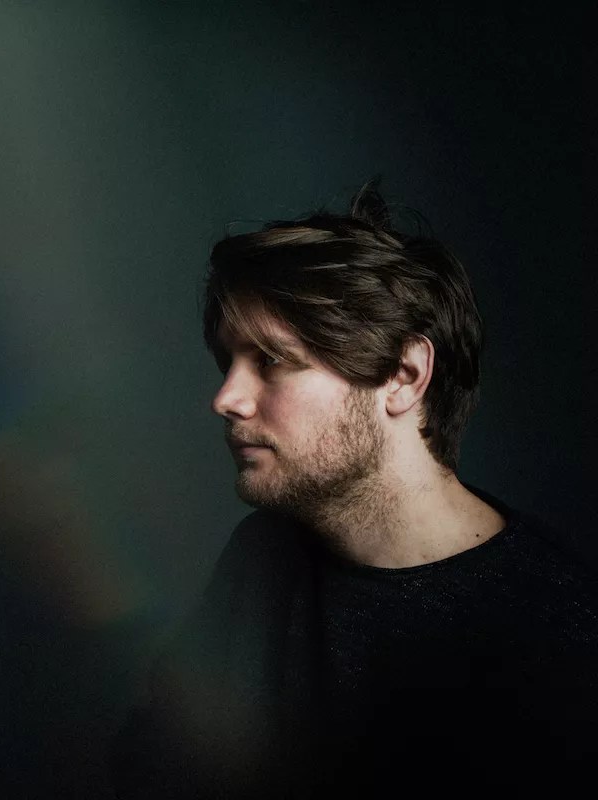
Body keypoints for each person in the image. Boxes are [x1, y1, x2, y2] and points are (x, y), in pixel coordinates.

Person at [110, 183, 598, 798]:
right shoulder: (264, 557)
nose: (226, 398)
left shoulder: (557, 636)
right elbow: (153, 762)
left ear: (404, 376)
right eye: (228, 363)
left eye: (271, 360)